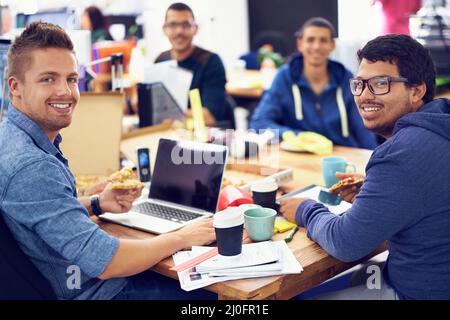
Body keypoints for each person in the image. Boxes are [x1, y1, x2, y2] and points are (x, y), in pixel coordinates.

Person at [0, 21, 216, 300]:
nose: (65, 92)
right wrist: (183, 237)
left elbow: (43, 211)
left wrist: (97, 203)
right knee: (215, 294)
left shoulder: (11, 136)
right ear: (15, 86)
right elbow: (106, 262)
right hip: (99, 291)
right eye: (48, 79)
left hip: (82, 281)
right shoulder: (32, 166)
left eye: (71, 79)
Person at [280, 34, 450, 299]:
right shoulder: (440, 125)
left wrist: (305, 209)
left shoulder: (400, 153)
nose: (364, 96)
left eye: (381, 84)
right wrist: (376, 195)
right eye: (359, 84)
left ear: (417, 90)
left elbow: (345, 243)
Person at [249, 17, 377, 149]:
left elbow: (363, 127)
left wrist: (373, 156)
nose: (316, 46)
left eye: (323, 40)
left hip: (340, 156)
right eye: (310, 40)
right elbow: (259, 122)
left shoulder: (346, 78)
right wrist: (297, 137)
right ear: (300, 44)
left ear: (332, 45)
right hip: (301, 155)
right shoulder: (285, 77)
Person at [155, 2, 234, 128]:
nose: (179, 31)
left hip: (205, 139)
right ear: (165, 29)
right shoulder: (160, 60)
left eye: (186, 25)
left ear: (195, 28)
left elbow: (210, 117)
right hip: (168, 135)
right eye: (173, 25)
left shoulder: (211, 61)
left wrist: (163, 114)